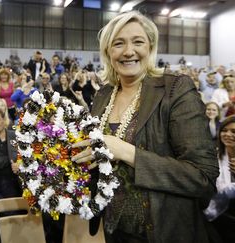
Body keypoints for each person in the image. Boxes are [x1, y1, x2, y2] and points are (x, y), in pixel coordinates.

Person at [72, 11, 218, 243]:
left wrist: (126, 152)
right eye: (118, 44)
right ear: (108, 52)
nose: (128, 51)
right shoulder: (103, 95)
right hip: (114, 230)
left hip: (165, 231)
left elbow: (203, 177)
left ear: (150, 47)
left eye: (138, 42)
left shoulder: (175, 89)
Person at [204, 116, 235, 243]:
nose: (228, 134)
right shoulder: (212, 155)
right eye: (224, 130)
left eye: (234, 132)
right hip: (217, 217)